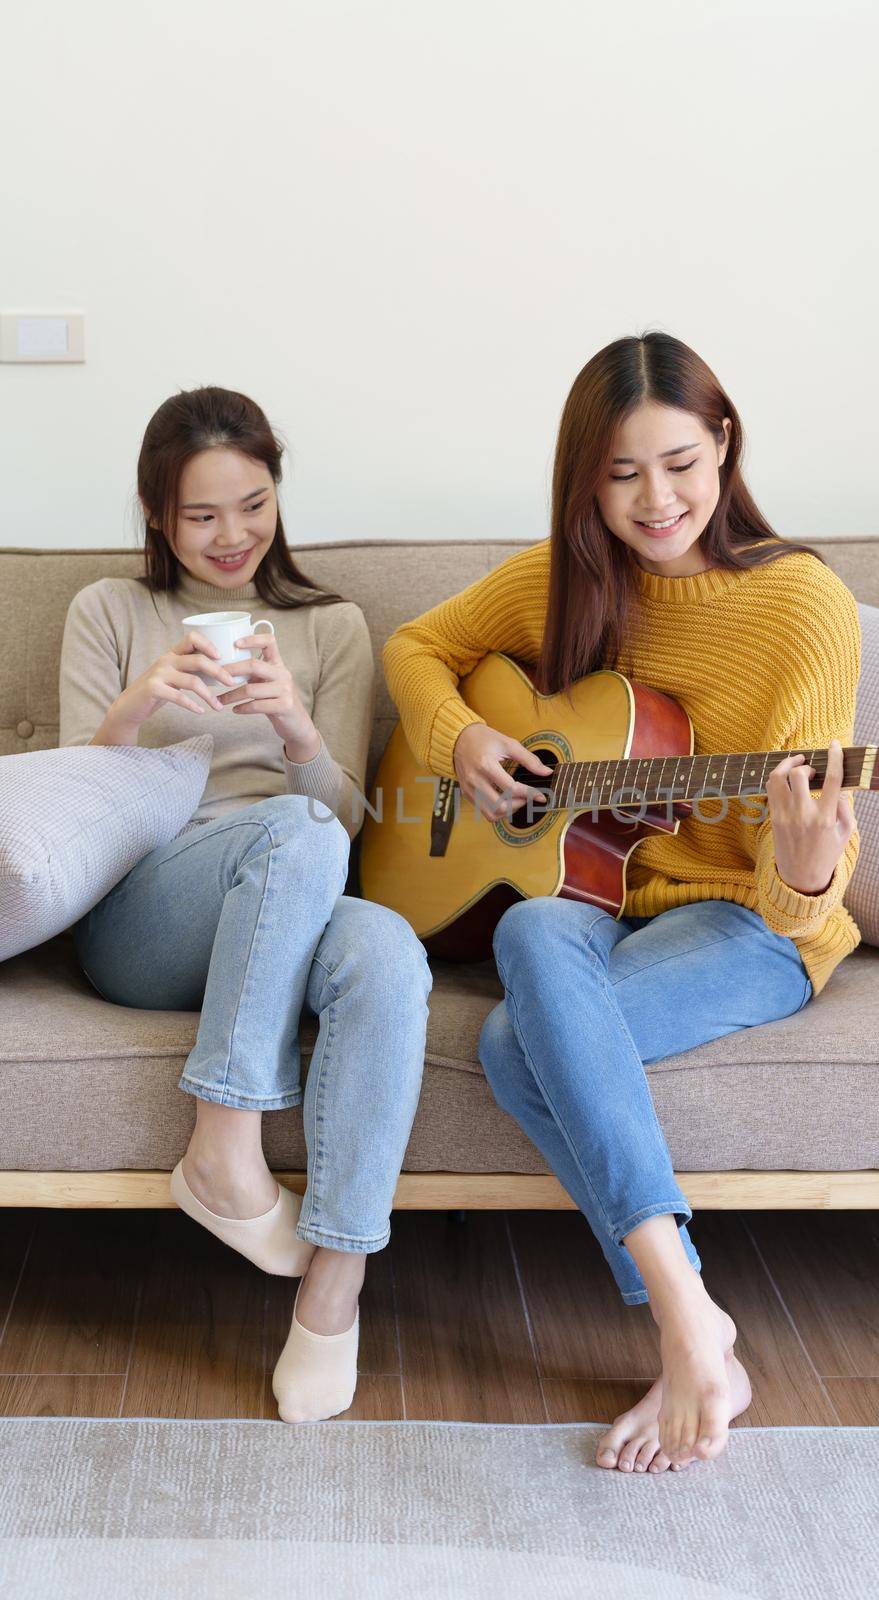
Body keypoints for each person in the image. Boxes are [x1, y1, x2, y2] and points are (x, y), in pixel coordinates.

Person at [382, 331, 861, 1475]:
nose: (658, 500)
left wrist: (798, 868)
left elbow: (804, 898)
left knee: (510, 1044)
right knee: (534, 921)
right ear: (582, 480)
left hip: (748, 920)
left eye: (681, 463)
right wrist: (465, 741)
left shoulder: (801, 605)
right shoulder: (564, 580)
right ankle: (692, 1318)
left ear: (724, 446)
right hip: (596, 899)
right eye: (621, 472)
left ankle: (681, 1318)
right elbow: (415, 646)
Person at [59, 385, 432, 1424]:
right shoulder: (110, 613)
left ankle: (331, 1291)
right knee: (291, 834)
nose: (233, 536)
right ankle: (222, 1142)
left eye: (254, 503)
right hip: (146, 916)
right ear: (155, 515)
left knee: (387, 954)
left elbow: (344, 825)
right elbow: (75, 810)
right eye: (201, 514)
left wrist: (299, 732)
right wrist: (144, 701)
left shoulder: (330, 626)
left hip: (295, 886)